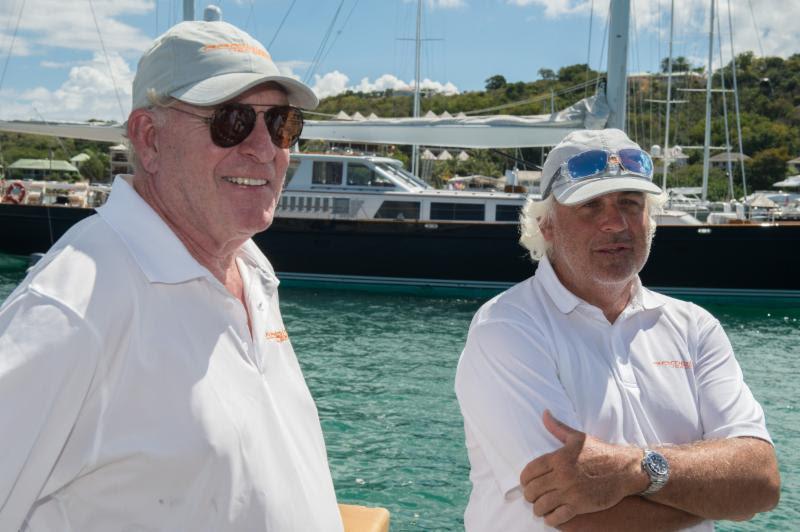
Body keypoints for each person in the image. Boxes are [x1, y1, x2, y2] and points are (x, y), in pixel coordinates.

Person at [0, 20, 344, 531]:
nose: (264, 148)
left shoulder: (251, 271)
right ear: (149, 138)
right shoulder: (75, 305)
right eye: (230, 121)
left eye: (281, 124)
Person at [455, 129, 780, 531]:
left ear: (650, 217)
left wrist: (636, 469)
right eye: (590, 205)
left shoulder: (695, 326)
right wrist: (716, 497)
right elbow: (582, 523)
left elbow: (761, 482)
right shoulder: (506, 329)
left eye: (630, 202)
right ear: (547, 225)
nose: (615, 223)